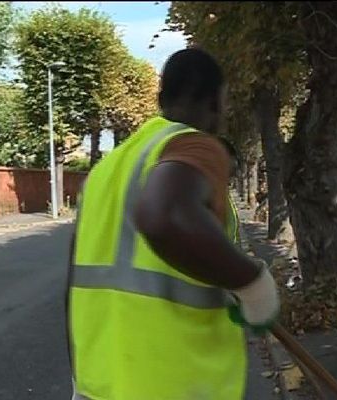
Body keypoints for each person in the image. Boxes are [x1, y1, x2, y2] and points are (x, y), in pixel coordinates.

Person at [67, 48, 279, 400]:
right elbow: (166, 217)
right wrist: (253, 285)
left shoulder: (105, 170)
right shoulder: (194, 144)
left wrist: (79, 377)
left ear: (161, 98)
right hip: (173, 385)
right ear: (216, 102)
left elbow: (76, 281)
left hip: (97, 385)